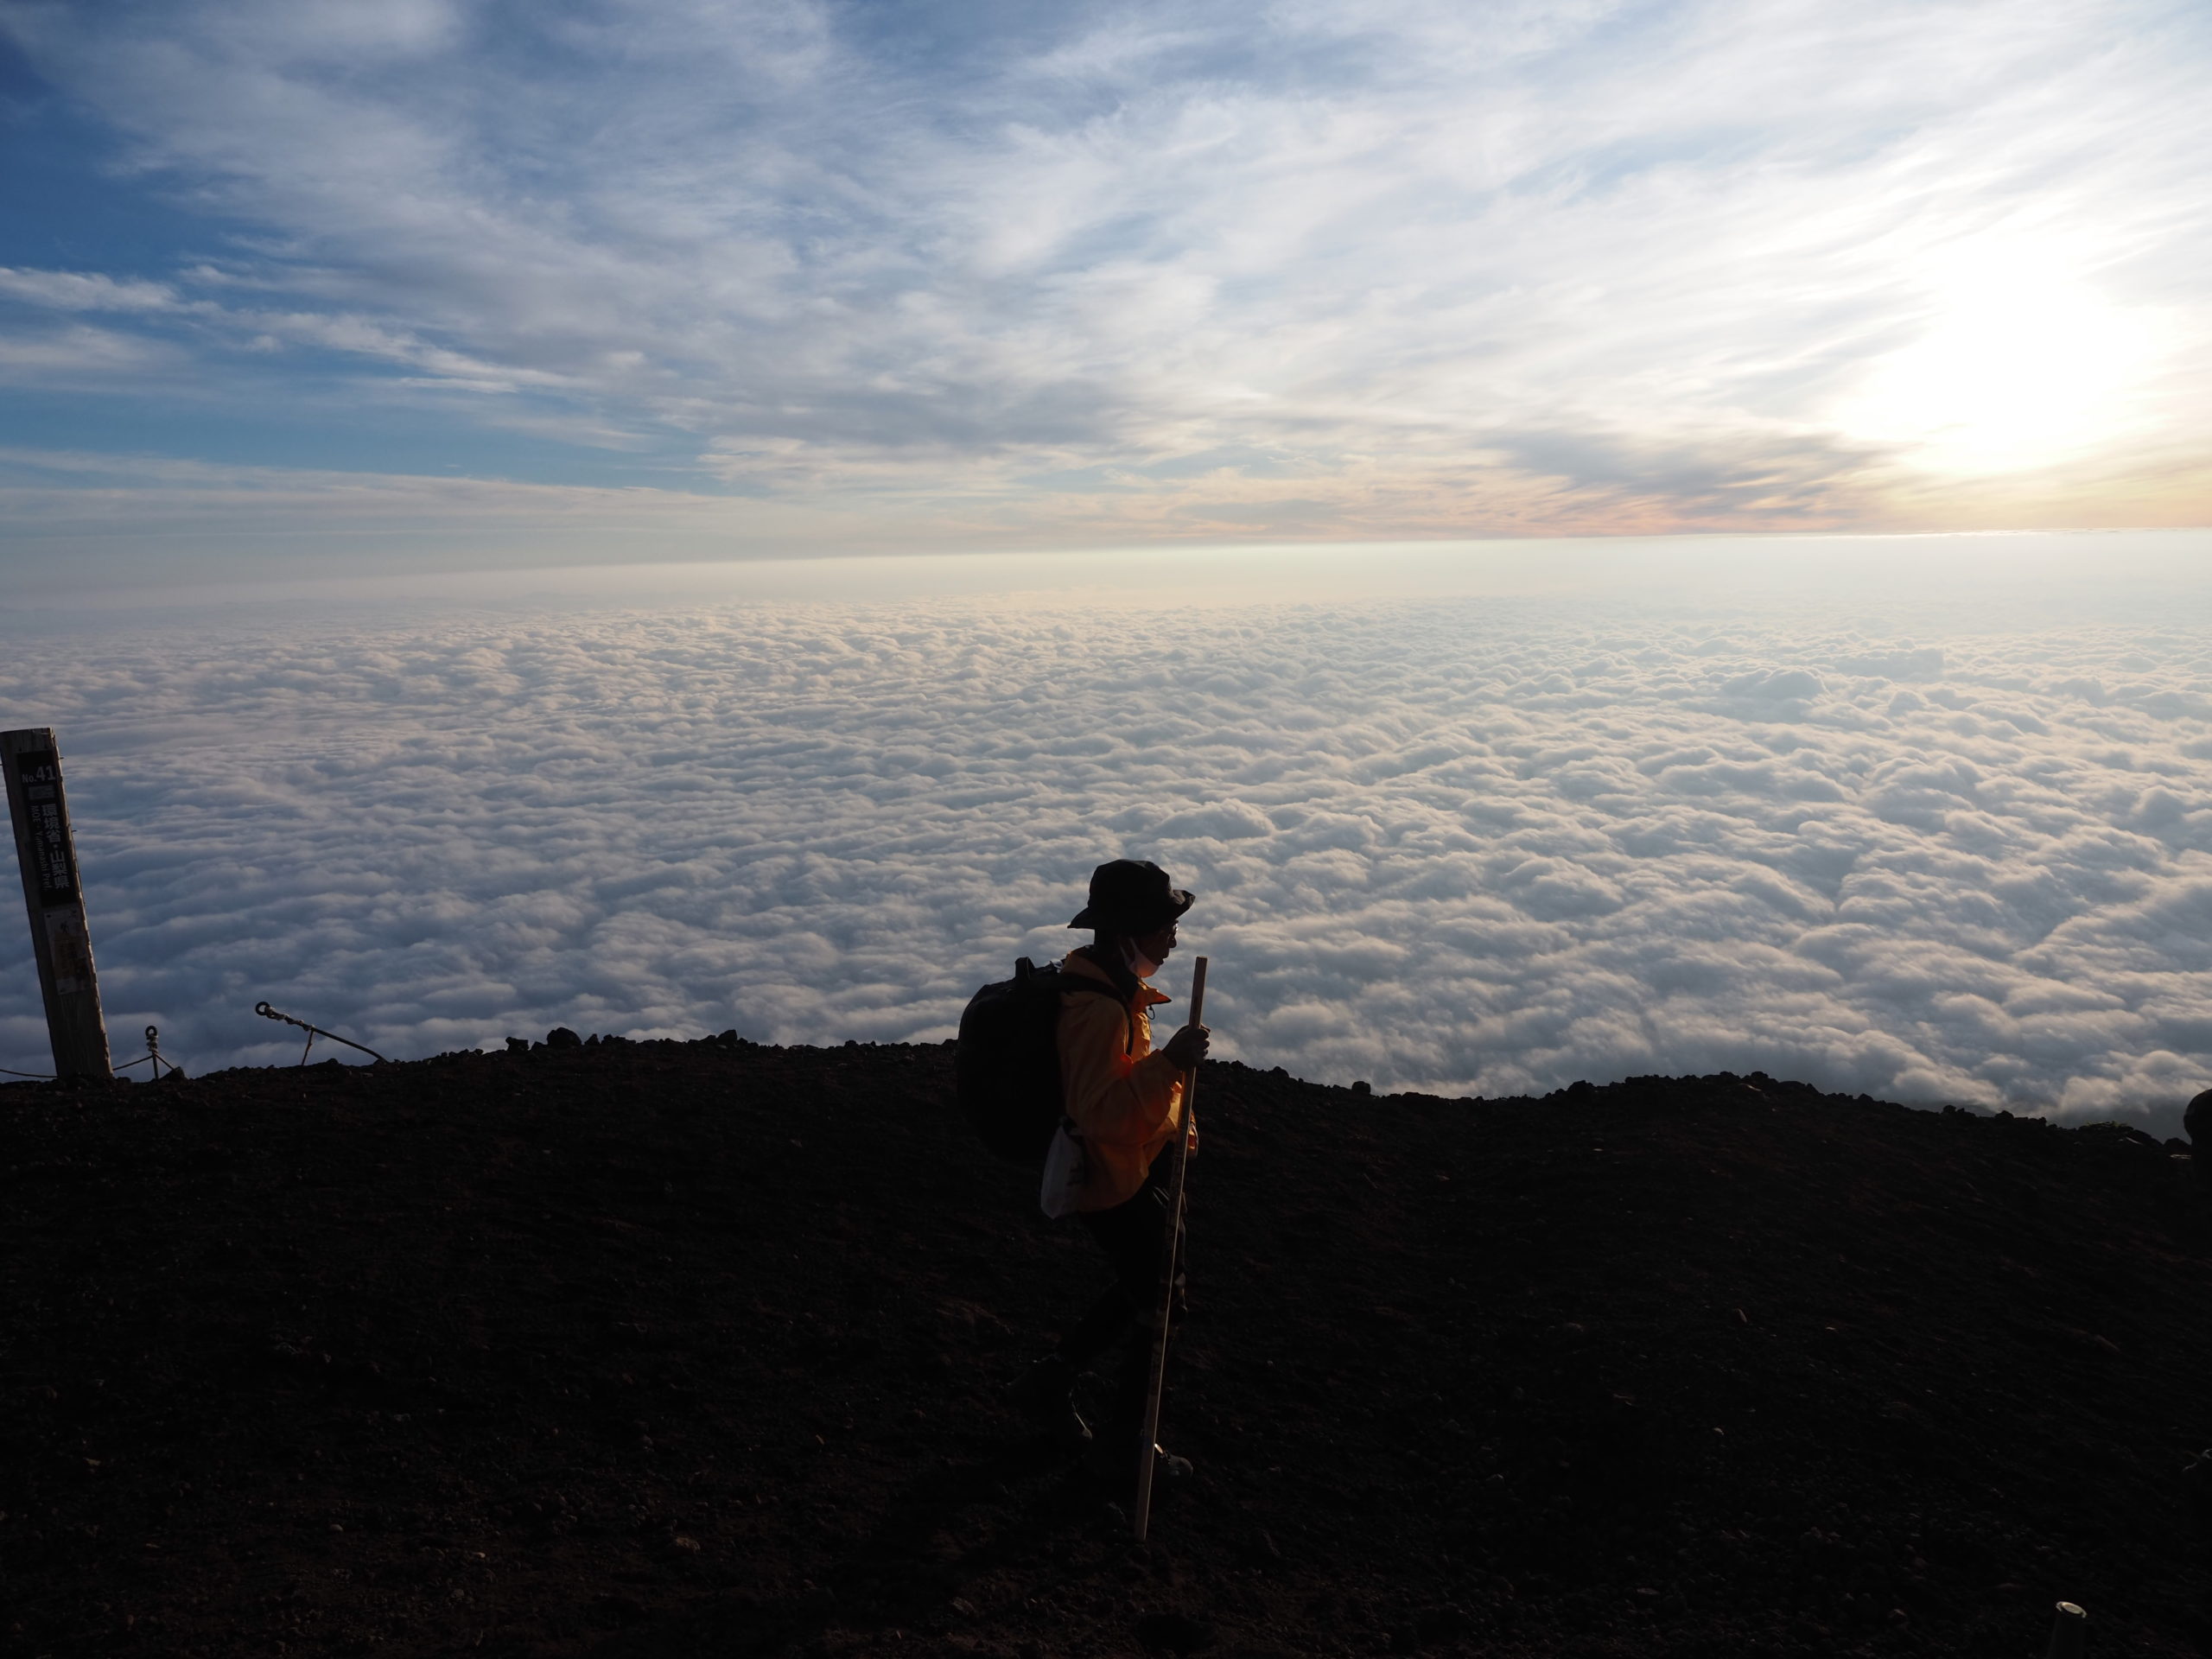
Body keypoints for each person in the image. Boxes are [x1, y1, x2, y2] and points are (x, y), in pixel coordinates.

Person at [1009, 858, 1210, 1492]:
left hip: (1130, 1166)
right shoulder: (1098, 1007)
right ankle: (1124, 1446)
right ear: (1129, 931)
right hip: (1109, 1176)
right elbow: (1099, 1113)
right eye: (1164, 926)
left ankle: (1051, 1383)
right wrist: (1171, 1064)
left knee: (1146, 1284)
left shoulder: (1113, 986)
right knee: (1160, 1295)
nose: (1173, 938)